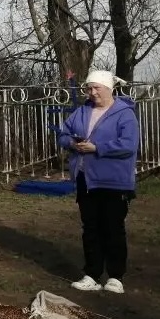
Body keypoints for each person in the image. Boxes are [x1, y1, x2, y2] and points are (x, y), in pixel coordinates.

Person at [58, 69, 139, 294]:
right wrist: (72, 143)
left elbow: (128, 145)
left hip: (114, 181)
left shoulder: (124, 114)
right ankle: (92, 274)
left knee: (113, 228)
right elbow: (63, 134)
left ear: (109, 89)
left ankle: (115, 276)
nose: (92, 93)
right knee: (91, 228)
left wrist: (97, 147)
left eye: (97, 88)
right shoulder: (82, 112)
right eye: (89, 88)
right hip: (87, 179)